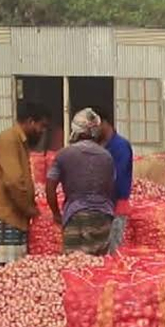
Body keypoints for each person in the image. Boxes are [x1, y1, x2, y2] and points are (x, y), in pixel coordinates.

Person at [0, 101, 50, 268]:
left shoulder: (18, 141)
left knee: (15, 272)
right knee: (4, 272)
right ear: (31, 121)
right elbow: (13, 181)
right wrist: (29, 209)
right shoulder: (8, 140)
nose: (42, 132)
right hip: (3, 215)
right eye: (41, 126)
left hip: (13, 215)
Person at [46, 109, 116, 256]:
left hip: (75, 216)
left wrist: (56, 213)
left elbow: (50, 186)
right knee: (99, 266)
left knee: (74, 265)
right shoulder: (107, 156)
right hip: (103, 217)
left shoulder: (64, 154)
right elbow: (110, 187)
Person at [92, 107, 133, 253]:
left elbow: (118, 178)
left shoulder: (120, 146)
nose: (93, 130)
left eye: (95, 125)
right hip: (99, 208)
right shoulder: (97, 146)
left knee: (113, 252)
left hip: (115, 207)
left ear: (104, 123)